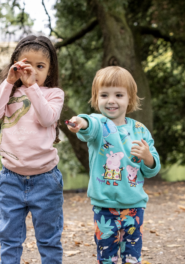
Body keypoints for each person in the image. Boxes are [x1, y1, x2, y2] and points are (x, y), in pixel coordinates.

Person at [66, 66, 161, 264]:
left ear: (130, 99)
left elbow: (152, 169)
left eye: (118, 94)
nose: (111, 100)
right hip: (104, 208)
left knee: (132, 258)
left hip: (134, 207)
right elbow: (87, 123)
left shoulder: (140, 130)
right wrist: (78, 121)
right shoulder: (100, 125)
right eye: (104, 95)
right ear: (96, 98)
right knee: (107, 258)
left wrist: (147, 157)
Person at [0, 35, 65, 264]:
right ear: (16, 66)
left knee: (49, 239)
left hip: (46, 180)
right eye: (27, 65)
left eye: (40, 66)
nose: (34, 71)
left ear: (49, 71)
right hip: (11, 179)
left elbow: (47, 118)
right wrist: (9, 81)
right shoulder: (9, 93)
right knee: (9, 239)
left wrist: (32, 87)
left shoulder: (53, 94)